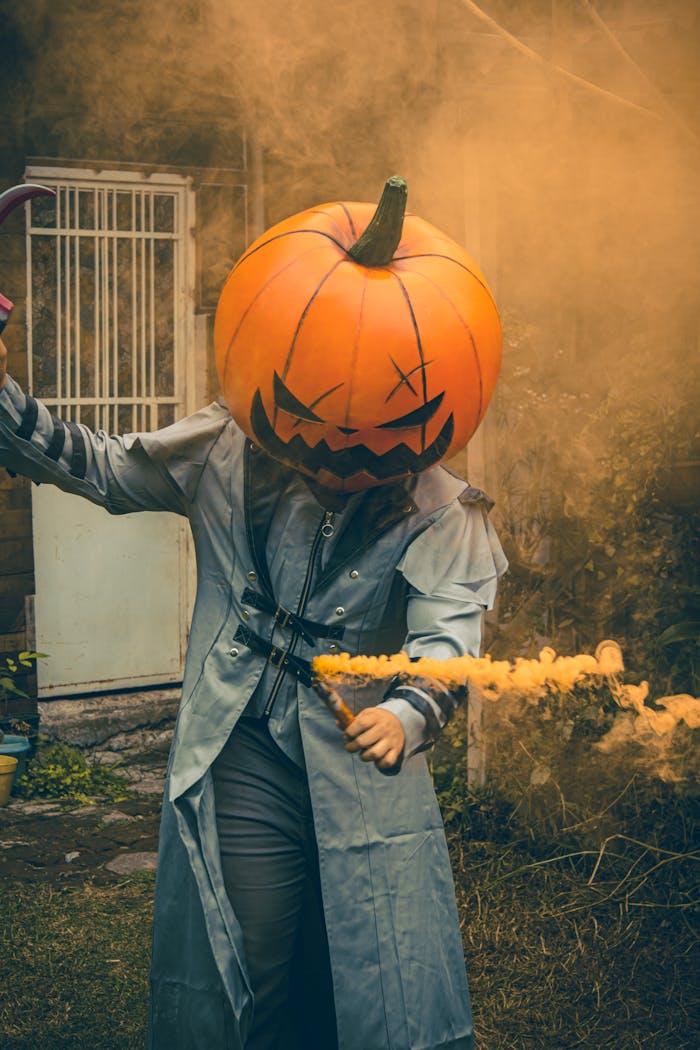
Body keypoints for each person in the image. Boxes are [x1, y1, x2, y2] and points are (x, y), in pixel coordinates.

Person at [0, 181, 507, 1050]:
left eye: (371, 434)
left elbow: (451, 630)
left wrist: (408, 708)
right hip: (243, 746)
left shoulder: (441, 504)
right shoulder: (229, 446)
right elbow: (104, 468)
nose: (342, 453)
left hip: (361, 761)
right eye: (320, 420)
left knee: (366, 965)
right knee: (249, 948)